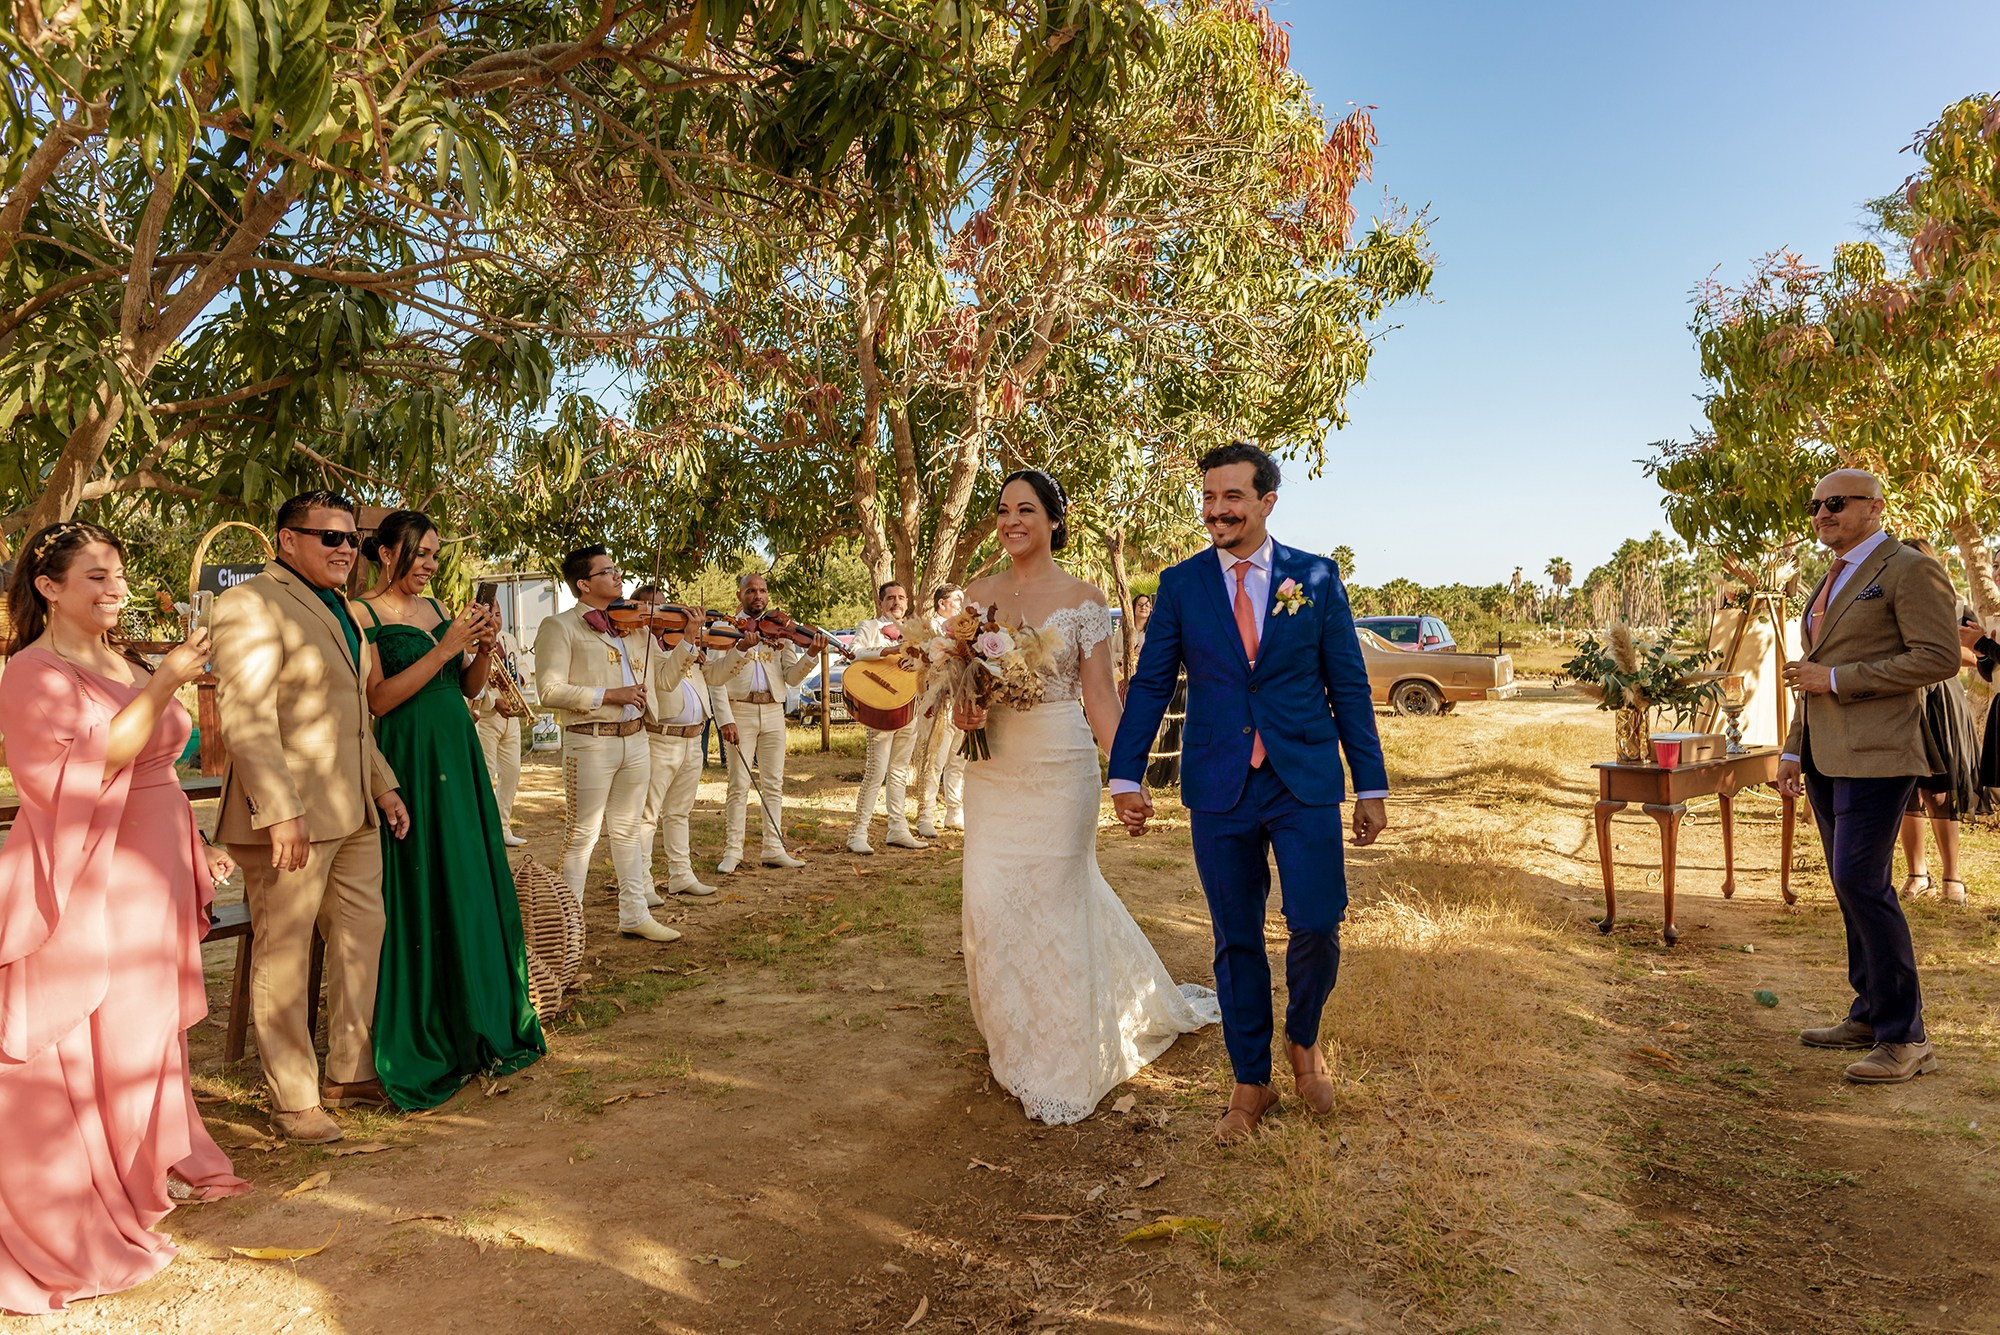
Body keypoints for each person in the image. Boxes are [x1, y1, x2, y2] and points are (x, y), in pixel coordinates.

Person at [0, 523, 251, 1312]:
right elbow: (94, 763)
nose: (117, 588)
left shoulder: (122, 659)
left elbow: (156, 767)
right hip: (93, 872)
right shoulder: (32, 671)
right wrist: (167, 680)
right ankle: (100, 1179)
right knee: (110, 1026)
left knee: (147, 1028)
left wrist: (197, 841)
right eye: (98, 576)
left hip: (155, 865)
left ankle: (146, 1160)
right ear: (48, 586)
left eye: (120, 574)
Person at [1109, 443, 1389, 1144]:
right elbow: (1152, 683)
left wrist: (1370, 783)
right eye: (1208, 498)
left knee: (1317, 921)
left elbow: (1349, 684)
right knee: (1235, 936)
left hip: (1303, 779)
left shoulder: (1315, 577)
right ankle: (1249, 1079)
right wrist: (1126, 773)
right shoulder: (1180, 585)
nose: (1216, 510)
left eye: (1231, 497)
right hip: (1219, 782)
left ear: (1267, 501)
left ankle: (1303, 1037)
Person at [953, 470, 1219, 1126]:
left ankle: (1064, 1056)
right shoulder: (975, 597)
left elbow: (1099, 695)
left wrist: (1125, 776)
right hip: (992, 769)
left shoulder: (1084, 599)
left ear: (1053, 519)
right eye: (1003, 510)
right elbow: (960, 681)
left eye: (1025, 509)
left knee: (1055, 898)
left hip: (1059, 767)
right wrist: (962, 707)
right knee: (989, 900)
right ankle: (1014, 1036)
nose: (1011, 520)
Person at [211, 490, 411, 1144]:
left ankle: (350, 1072)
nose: (346, 548)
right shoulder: (249, 603)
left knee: (362, 936)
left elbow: (350, 716)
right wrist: (279, 810)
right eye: (330, 537)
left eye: (352, 538)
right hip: (290, 817)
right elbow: (246, 717)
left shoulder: (342, 609)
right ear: (287, 539)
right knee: (285, 953)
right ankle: (292, 1099)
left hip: (352, 807)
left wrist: (383, 785)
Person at [351, 512, 545, 1109]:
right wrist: (446, 648)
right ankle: (431, 1025)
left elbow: (468, 688)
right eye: (421, 553)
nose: (431, 564)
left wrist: (481, 649)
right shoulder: (361, 614)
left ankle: (482, 1012)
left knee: (467, 871)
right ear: (387, 552)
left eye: (436, 554)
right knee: (422, 875)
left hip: (457, 749)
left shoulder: (437, 608)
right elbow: (378, 699)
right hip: (407, 752)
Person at [1778, 469, 1960, 1084]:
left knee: (1862, 881)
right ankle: (1869, 1013)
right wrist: (1793, 749)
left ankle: (1906, 1037)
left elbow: (1937, 658)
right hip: (1825, 756)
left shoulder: (1909, 568)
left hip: (1881, 753)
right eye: (1814, 506)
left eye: (1835, 502)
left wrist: (1836, 679)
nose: (1821, 514)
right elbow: (1812, 672)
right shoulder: (1830, 577)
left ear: (1876, 507)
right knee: (1847, 883)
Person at [533, 546, 678, 942]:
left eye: (617, 569)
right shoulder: (559, 626)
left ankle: (634, 914)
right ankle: (568, 927)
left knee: (629, 831)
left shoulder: (633, 626)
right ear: (584, 584)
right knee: (582, 835)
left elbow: (664, 678)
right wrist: (609, 695)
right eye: (608, 571)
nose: (618, 576)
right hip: (590, 741)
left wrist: (686, 639)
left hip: (636, 737)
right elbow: (549, 690)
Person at [1892, 539, 1981, 907]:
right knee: (1905, 788)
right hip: (1901, 698)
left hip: (1940, 701)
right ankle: (1917, 874)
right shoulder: (1891, 604)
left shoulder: (1955, 606)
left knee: (1939, 791)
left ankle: (1952, 877)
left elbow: (1979, 656)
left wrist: (1932, 654)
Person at [711, 573, 815, 873]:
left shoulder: (781, 629)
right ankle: (733, 851)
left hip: (773, 710)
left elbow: (791, 677)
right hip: (740, 709)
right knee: (738, 783)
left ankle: (773, 848)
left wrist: (811, 654)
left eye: (763, 590)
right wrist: (725, 719)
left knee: (773, 783)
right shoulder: (724, 629)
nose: (758, 595)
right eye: (751, 590)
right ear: (739, 595)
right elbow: (715, 678)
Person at [632, 584, 728, 899]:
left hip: (692, 738)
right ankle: (642, 883)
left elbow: (715, 678)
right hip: (660, 738)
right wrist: (687, 640)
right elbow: (665, 681)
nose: (663, 613)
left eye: (665, 605)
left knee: (679, 812)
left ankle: (681, 875)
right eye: (652, 606)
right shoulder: (640, 645)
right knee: (647, 815)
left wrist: (738, 650)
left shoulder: (681, 643)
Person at [847, 581, 929, 855]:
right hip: (880, 706)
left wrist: (919, 664)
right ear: (881, 603)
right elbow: (854, 653)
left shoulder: (916, 633)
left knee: (899, 771)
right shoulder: (870, 627)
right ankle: (858, 833)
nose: (896, 602)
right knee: (876, 771)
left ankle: (898, 829)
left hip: (908, 706)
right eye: (890, 598)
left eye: (901, 597)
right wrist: (888, 651)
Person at [913, 584, 968, 839]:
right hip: (938, 702)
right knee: (934, 760)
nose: (961, 604)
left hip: (961, 699)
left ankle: (954, 811)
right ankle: (925, 814)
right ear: (942, 603)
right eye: (957, 600)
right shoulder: (929, 629)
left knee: (959, 759)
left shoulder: (965, 629)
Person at [470, 623, 529, 847]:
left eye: (498, 614)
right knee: (487, 773)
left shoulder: (508, 639)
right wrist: (494, 701)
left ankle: (503, 828)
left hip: (511, 716)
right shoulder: (471, 642)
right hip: (487, 716)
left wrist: (518, 679)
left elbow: (522, 665)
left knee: (512, 772)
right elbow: (470, 680)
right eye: (490, 616)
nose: (494, 621)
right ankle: (484, 831)